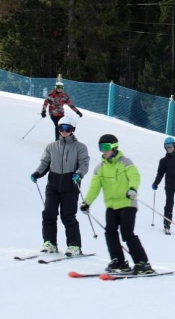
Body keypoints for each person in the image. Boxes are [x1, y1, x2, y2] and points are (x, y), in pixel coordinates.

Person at [80, 134, 154, 274]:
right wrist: (86, 202)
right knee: (110, 233)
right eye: (101, 147)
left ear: (114, 147)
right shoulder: (99, 168)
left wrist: (132, 189)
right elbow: (95, 187)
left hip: (127, 202)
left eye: (106, 147)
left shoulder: (125, 162)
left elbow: (134, 176)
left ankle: (142, 263)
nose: (104, 150)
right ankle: (118, 261)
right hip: (112, 206)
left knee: (127, 233)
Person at [30, 116, 90, 256]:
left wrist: (79, 174)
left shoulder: (80, 147)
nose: (64, 131)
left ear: (72, 129)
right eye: (61, 128)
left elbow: (84, 164)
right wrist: (37, 173)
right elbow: (45, 163)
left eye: (67, 128)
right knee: (49, 213)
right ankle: (50, 243)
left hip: (70, 185)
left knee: (68, 216)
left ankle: (74, 246)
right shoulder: (52, 147)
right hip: (53, 184)